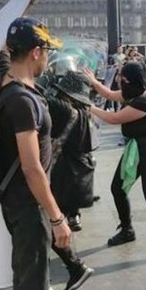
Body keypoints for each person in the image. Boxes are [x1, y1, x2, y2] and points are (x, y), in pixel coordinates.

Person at [0, 16, 93, 290]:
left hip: (14, 200)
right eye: (46, 50)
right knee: (33, 286)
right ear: (35, 52)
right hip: (29, 203)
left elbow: (3, 45)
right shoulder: (23, 100)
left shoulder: (1, 81)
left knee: (24, 273)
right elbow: (32, 167)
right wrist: (57, 217)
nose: (48, 58)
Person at [84, 62, 146, 263]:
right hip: (135, 148)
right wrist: (93, 81)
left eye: (122, 76)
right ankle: (127, 229)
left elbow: (114, 118)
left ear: (130, 79)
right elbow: (111, 95)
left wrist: (89, 107)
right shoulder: (134, 93)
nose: (119, 79)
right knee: (118, 189)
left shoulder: (144, 101)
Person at [48, 71, 97, 232]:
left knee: (60, 198)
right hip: (80, 160)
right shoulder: (84, 111)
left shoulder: (62, 108)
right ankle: (74, 216)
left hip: (63, 163)